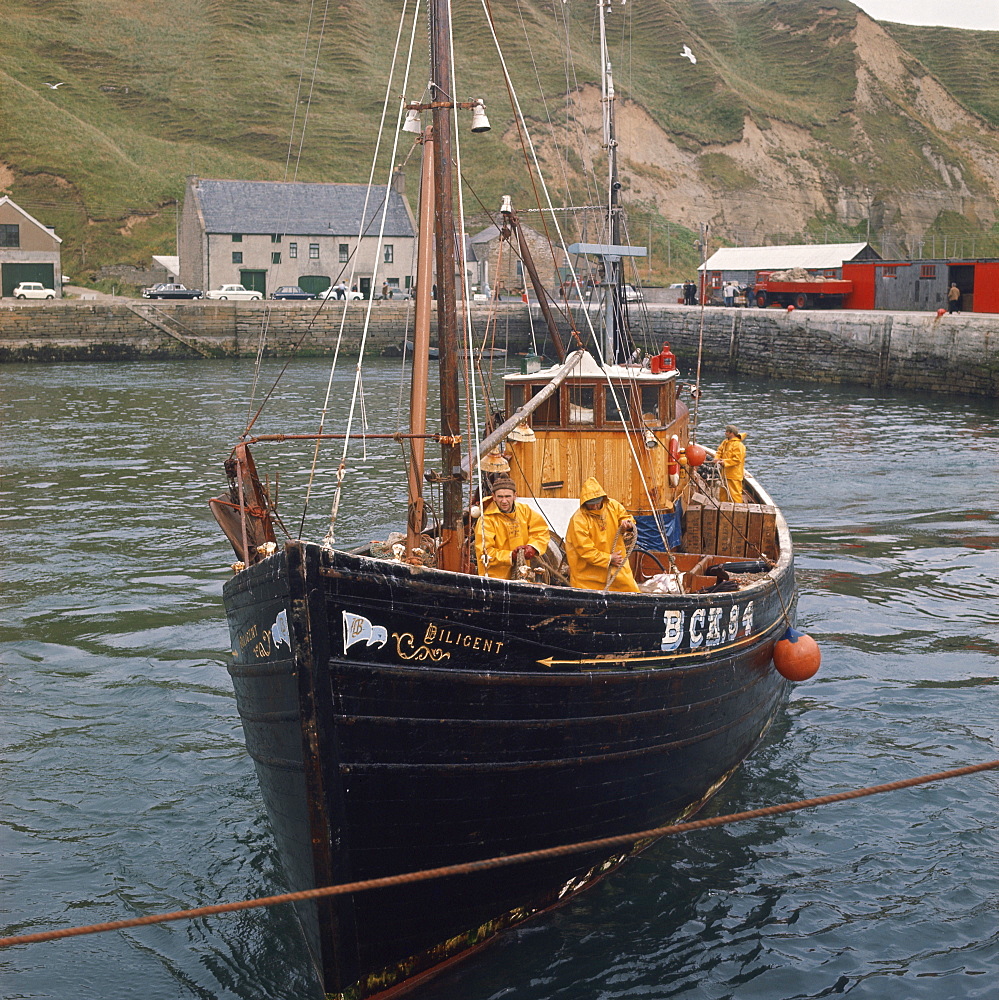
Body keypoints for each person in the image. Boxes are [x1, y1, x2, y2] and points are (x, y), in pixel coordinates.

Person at [565, 478, 639, 593]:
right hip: (587, 574)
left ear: (602, 500)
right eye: (591, 505)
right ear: (584, 503)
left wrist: (627, 524)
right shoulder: (578, 521)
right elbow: (585, 551)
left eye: (597, 503)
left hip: (617, 564)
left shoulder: (613, 506)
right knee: (587, 602)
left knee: (629, 590)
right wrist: (608, 558)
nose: (594, 507)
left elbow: (625, 517)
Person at [475, 477, 550, 580]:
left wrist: (532, 547)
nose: (504, 501)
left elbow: (541, 531)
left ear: (515, 496)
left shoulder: (525, 511)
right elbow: (485, 552)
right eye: (500, 497)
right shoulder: (486, 520)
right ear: (493, 497)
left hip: (523, 572)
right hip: (495, 578)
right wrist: (510, 556)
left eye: (508, 496)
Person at [714, 424, 747, 504]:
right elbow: (719, 451)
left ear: (731, 433)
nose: (725, 433)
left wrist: (725, 462)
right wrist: (717, 458)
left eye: (727, 432)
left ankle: (738, 509)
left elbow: (737, 459)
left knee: (734, 494)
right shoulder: (725, 442)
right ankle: (724, 508)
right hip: (724, 473)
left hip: (734, 475)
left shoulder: (739, 445)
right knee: (723, 493)